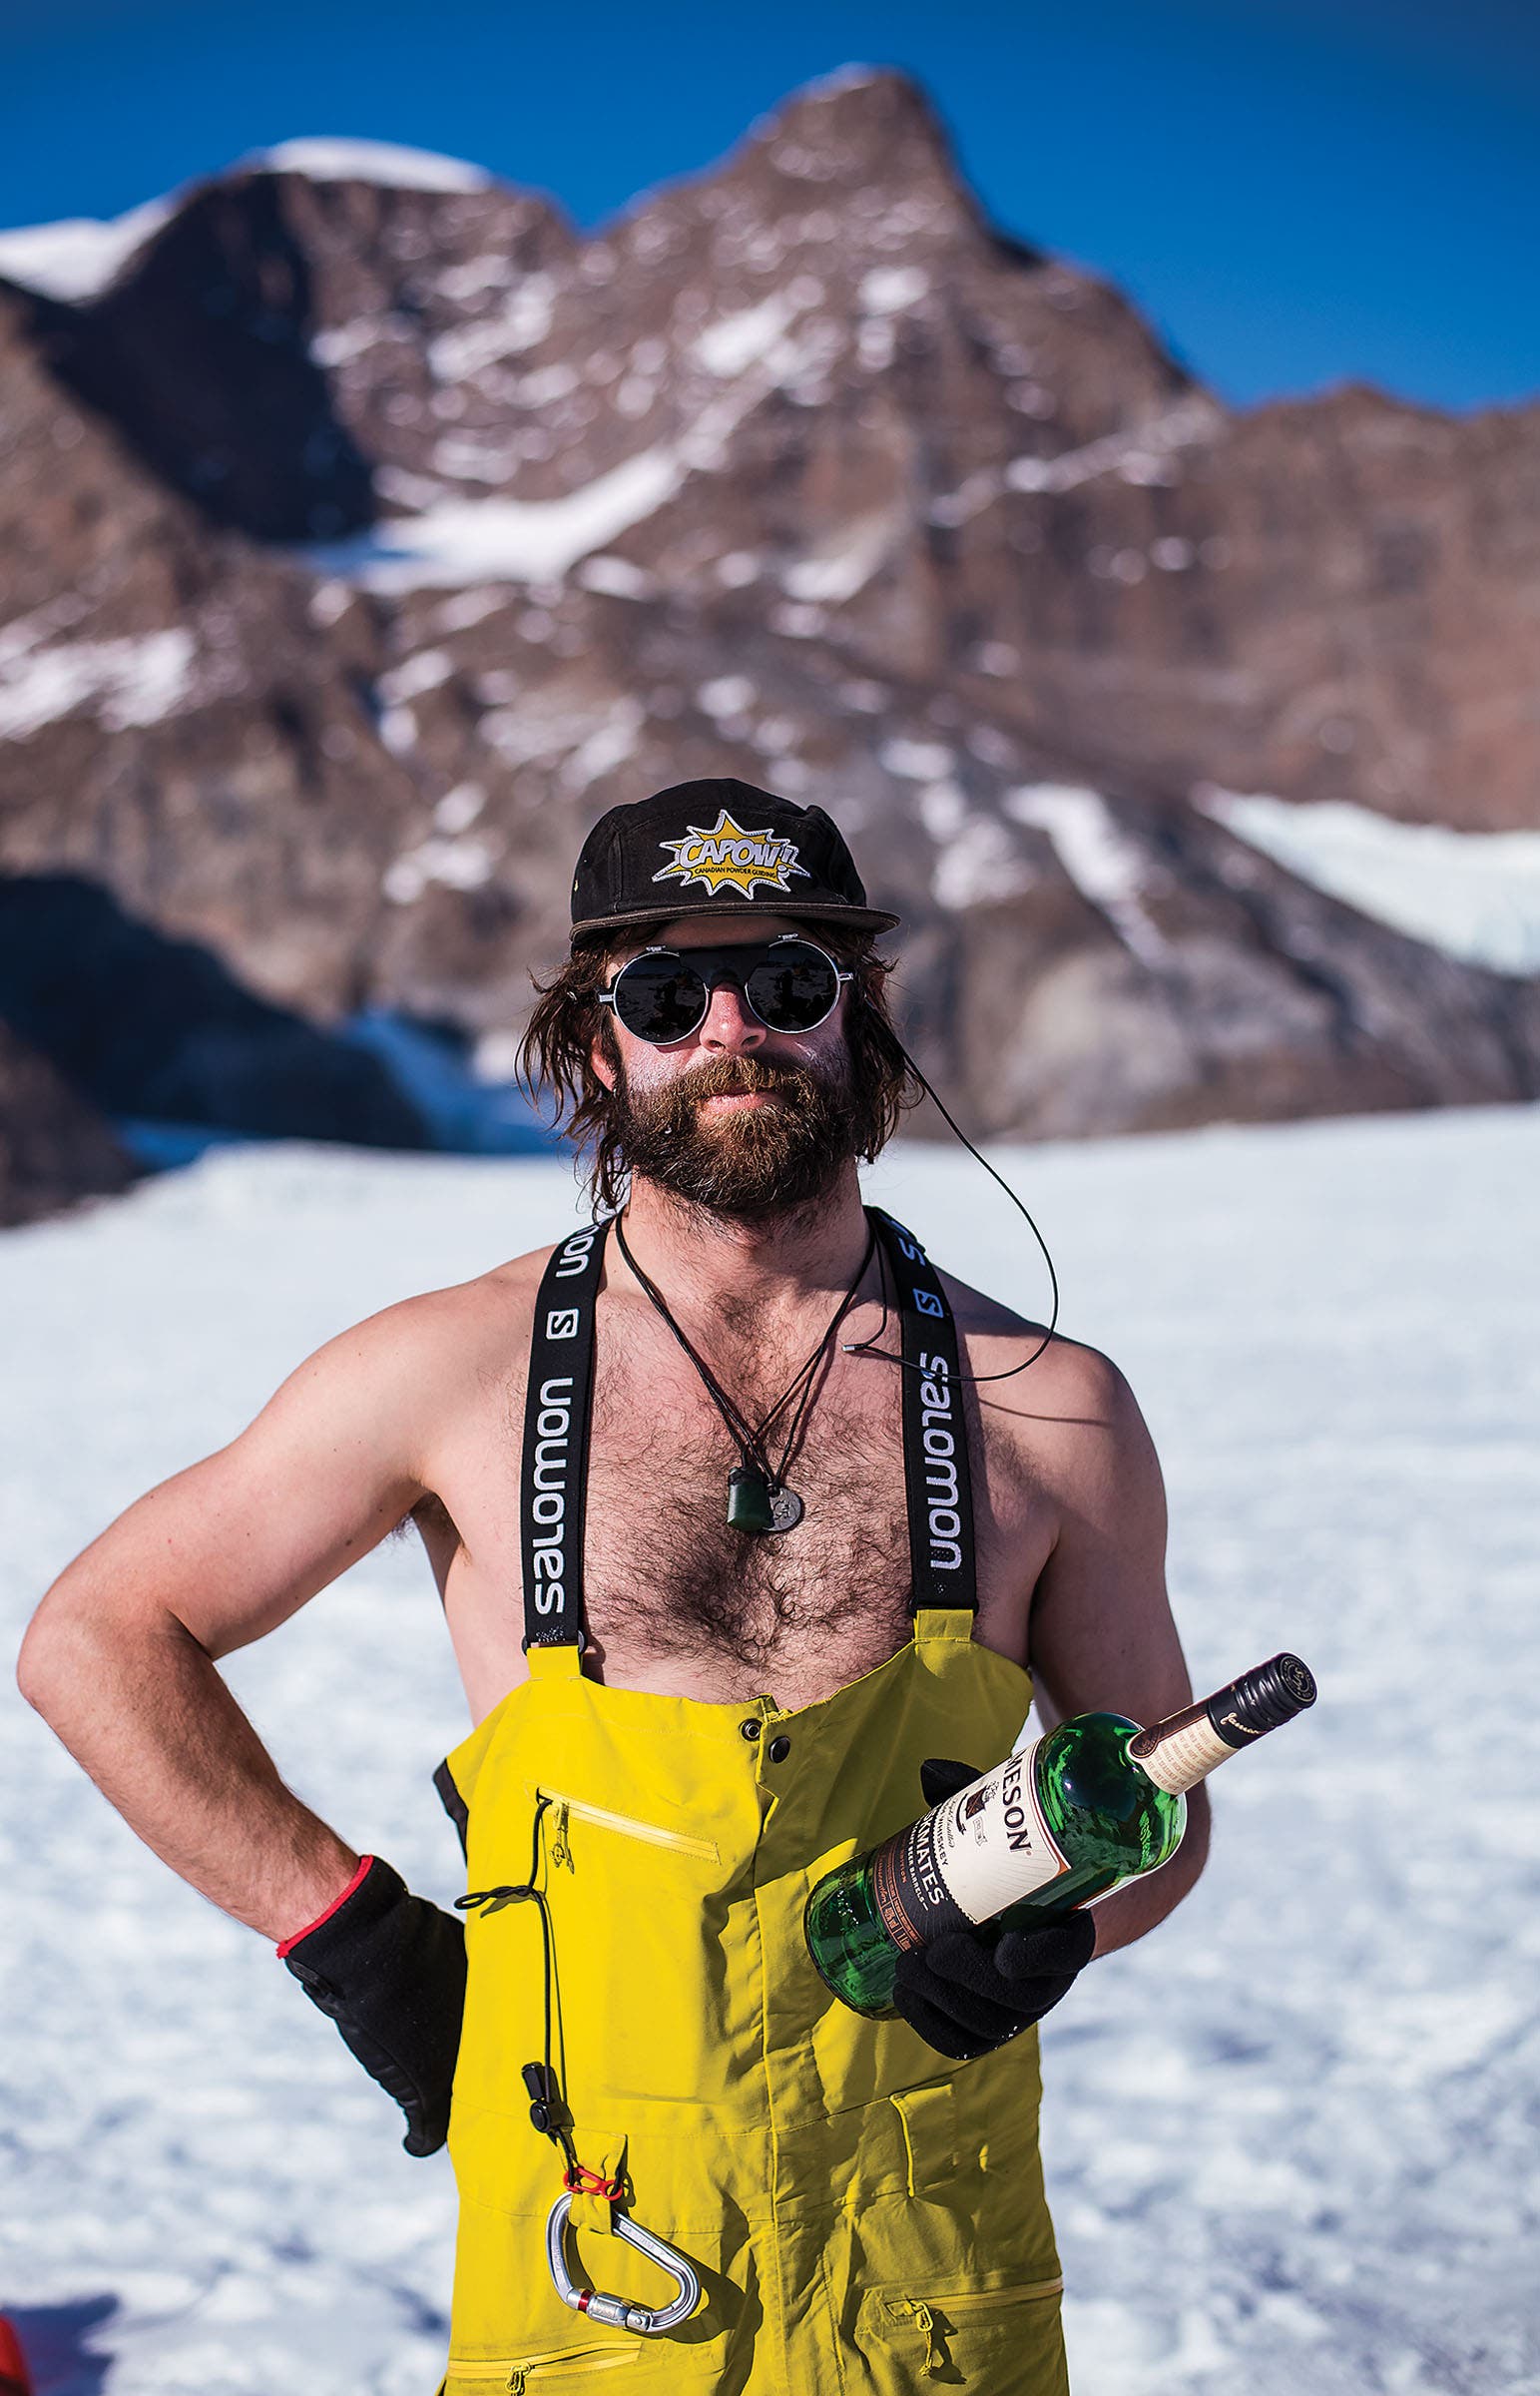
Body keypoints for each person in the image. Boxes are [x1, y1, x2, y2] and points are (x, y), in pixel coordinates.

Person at [18, 779, 1210, 2394]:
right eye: (665, 995)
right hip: (598, 2283)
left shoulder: (1049, 1409)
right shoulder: (454, 1372)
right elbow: (98, 1637)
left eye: (786, 982)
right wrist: (357, 1946)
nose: (734, 1031)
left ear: (861, 1013)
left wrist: (1066, 1920)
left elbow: (1166, 1795)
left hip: (933, 2286)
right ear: (597, 1045)